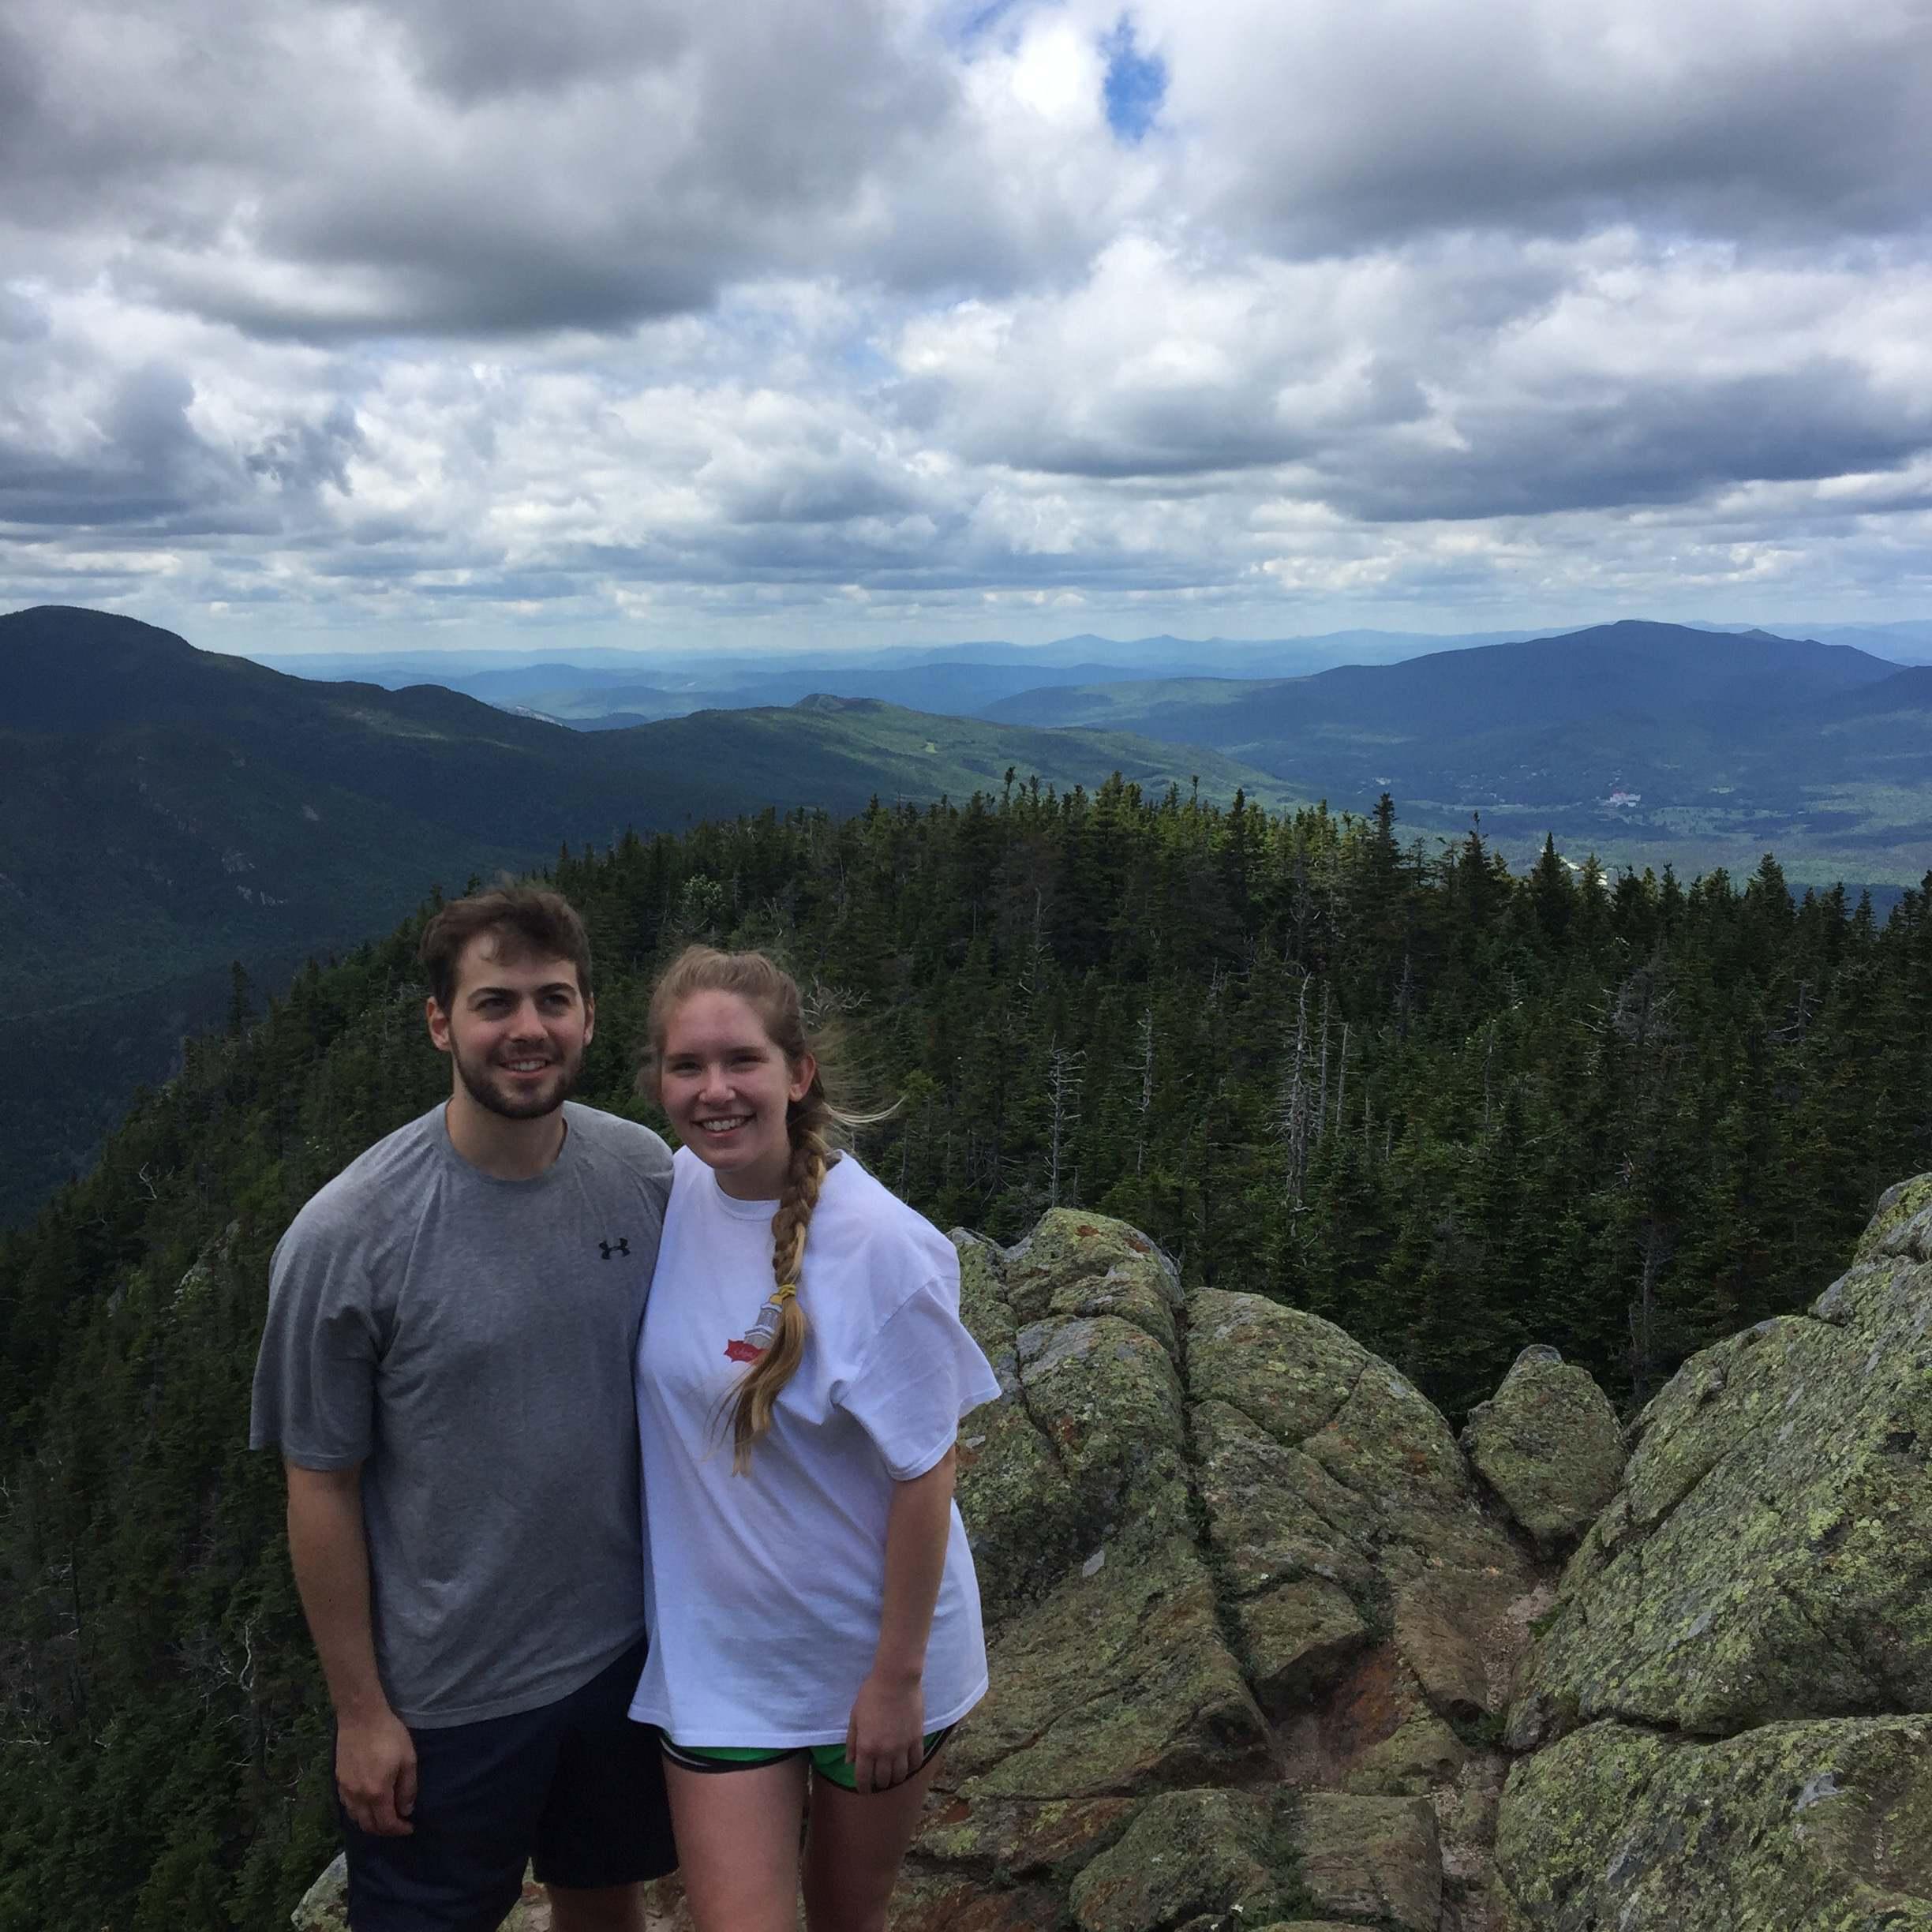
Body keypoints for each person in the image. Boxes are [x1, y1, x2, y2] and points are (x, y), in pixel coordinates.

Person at [249, 886, 678, 1932]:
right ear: (440, 1022)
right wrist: (362, 1714)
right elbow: (320, 1481)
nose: (527, 1029)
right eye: (494, 1003)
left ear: (589, 1014)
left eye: (553, 999)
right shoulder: (347, 1236)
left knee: (604, 1899)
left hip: (626, 1657)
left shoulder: (644, 1176)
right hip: (447, 1703)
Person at [627, 945, 1001, 1932]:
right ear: (657, 1082)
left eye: (741, 1062)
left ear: (798, 1074)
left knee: (848, 1917)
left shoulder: (881, 1246)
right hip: (721, 1665)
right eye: (686, 1068)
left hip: (867, 1662)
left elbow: (927, 1472)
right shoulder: (669, 1196)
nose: (715, 1091)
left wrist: (896, 1683)